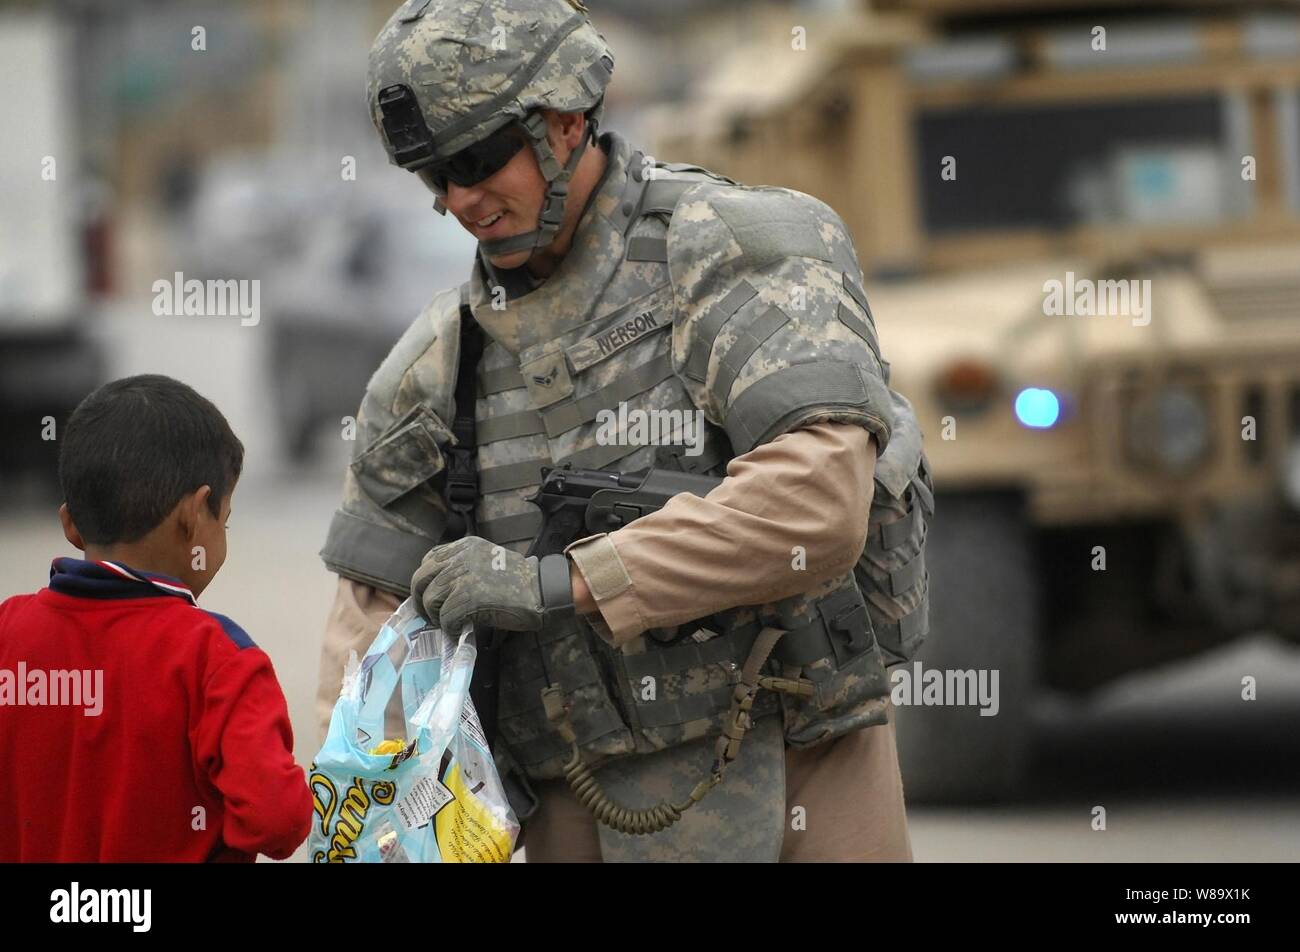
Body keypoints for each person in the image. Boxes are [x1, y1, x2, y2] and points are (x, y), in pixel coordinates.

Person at [318, 0, 933, 862]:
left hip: (802, 759)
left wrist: (558, 585)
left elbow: (819, 503)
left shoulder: (733, 251)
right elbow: (366, 638)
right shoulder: (435, 366)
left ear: (565, 122)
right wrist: (371, 822)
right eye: (433, 175)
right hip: (578, 796)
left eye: (479, 157)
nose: (461, 199)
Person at [0, 375, 312, 862]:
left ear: (71, 524)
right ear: (192, 516)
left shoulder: (7, 631)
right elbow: (278, 819)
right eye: (223, 521)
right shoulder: (218, 660)